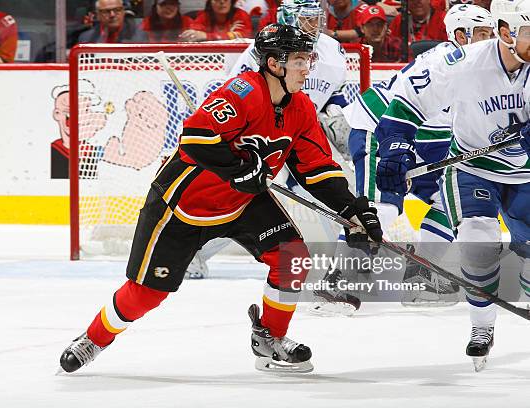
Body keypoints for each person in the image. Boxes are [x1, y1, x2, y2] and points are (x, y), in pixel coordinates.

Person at [59, 23, 383, 375]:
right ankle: (94, 338)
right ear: (275, 63)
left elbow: (317, 168)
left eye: (309, 59)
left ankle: (270, 339)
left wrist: (351, 208)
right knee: (145, 295)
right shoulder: (242, 92)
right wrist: (237, 169)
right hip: (183, 205)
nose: (308, 68)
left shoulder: (301, 108)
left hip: (244, 202)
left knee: (292, 259)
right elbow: (195, 139)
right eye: (301, 60)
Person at [309, 3, 495, 315]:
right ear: (460, 35)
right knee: (384, 204)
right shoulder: (444, 62)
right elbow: (400, 112)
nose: (490, 41)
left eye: (491, 34)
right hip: (378, 128)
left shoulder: (485, 69)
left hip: (425, 140)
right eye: (482, 34)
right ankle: (341, 275)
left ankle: (421, 273)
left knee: (451, 200)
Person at [373, 0, 529, 371]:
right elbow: (406, 100)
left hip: (526, 174)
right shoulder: (463, 62)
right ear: (506, 32)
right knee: (478, 239)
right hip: (474, 166)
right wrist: (396, 147)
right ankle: (481, 329)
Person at [185, 0, 349, 279]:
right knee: (251, 195)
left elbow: (336, 94)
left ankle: (336, 264)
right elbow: (239, 93)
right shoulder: (264, 50)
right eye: (306, 19)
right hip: (265, 134)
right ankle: (195, 253)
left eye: (317, 18)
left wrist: (336, 121)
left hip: (303, 133)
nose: (315, 25)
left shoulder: (332, 49)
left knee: (336, 189)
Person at [179, 0, 252, 41]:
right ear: (210, 2)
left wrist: (206, 36)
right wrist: (229, 34)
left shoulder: (240, 15)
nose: (222, 2)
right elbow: (194, 35)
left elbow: (242, 37)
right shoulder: (204, 15)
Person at [78, 0, 146, 44]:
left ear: (123, 12)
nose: (112, 15)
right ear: (98, 15)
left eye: (117, 10)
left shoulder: (143, 31)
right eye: (106, 11)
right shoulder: (86, 38)